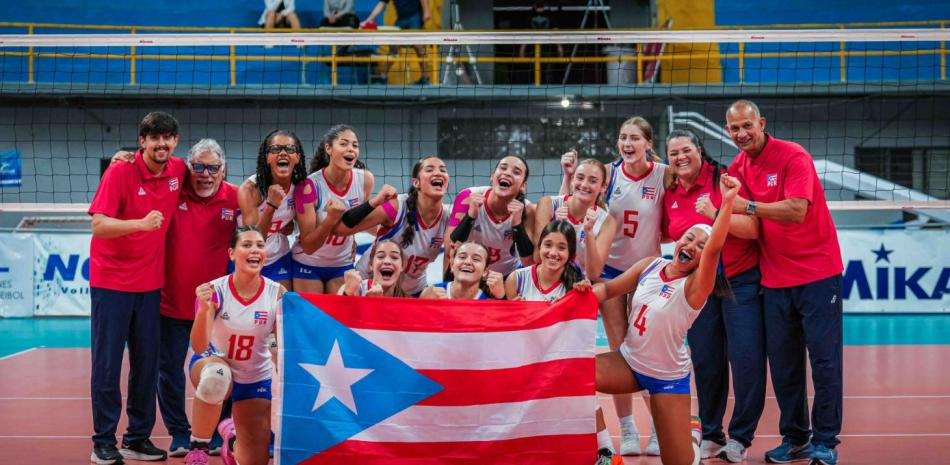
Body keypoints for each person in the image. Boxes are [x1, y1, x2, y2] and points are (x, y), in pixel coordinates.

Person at [579, 173, 742, 465]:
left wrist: (727, 201)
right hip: (629, 363)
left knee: (678, 462)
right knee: (573, 375)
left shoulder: (695, 288)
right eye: (689, 238)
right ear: (679, 240)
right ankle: (604, 450)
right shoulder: (652, 265)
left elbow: (715, 248)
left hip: (667, 378)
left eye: (700, 246)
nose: (692, 245)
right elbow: (608, 289)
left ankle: (692, 437)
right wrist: (576, 296)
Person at [724, 100, 844, 465]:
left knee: (824, 362)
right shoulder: (738, 166)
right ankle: (796, 438)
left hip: (818, 274)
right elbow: (744, 220)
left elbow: (796, 209)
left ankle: (825, 440)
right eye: (734, 129)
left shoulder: (793, 156)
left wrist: (746, 206)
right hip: (774, 279)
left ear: (761, 122)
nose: (742, 134)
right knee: (785, 366)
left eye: (747, 125)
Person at [561, 117, 669, 456]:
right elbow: (570, 205)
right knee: (621, 352)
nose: (627, 142)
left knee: (649, 353)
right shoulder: (608, 173)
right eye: (623, 137)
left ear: (648, 143)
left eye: (635, 137)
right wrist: (568, 176)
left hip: (645, 273)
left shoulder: (664, 174)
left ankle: (658, 430)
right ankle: (627, 430)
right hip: (607, 273)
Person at [88, 111, 186, 464]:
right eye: (153, 138)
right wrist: (141, 225)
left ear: (175, 142)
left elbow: (211, 178)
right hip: (111, 282)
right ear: (141, 141)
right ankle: (103, 441)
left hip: (150, 284)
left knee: (147, 365)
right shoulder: (120, 171)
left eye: (167, 138)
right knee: (108, 364)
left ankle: (137, 437)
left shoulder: (178, 170)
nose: (161, 144)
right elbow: (98, 225)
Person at [661, 129, 764, 462]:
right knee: (705, 360)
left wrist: (715, 215)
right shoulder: (671, 191)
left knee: (745, 358)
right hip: (698, 288)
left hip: (738, 280)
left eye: (686, 150)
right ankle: (711, 432)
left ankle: (740, 437)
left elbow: (752, 229)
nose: (680, 157)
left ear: (700, 150)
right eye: (673, 153)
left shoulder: (724, 178)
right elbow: (669, 233)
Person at [157, 139, 239, 457]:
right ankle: (179, 433)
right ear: (190, 167)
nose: (205, 174)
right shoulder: (174, 191)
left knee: (226, 369)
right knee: (169, 369)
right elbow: (151, 168)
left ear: (223, 169)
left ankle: (218, 431)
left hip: (217, 308)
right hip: (172, 302)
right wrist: (126, 157)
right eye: (199, 167)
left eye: (213, 168)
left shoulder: (235, 197)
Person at [184, 226, 283, 465]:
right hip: (214, 363)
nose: (255, 250)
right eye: (246, 245)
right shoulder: (215, 290)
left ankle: (233, 439)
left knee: (256, 460)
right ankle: (199, 448)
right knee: (217, 377)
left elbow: (283, 345)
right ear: (231, 253)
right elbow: (198, 346)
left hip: (255, 376)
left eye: (260, 245)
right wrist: (205, 309)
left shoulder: (276, 293)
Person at [336, 156, 450, 296]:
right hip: (371, 284)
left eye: (443, 170)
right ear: (416, 182)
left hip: (412, 292)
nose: (438, 173)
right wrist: (375, 201)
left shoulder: (449, 217)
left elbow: (454, 256)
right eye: (430, 169)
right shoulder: (397, 207)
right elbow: (342, 228)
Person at [292, 124, 380, 295]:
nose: (351, 149)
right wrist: (331, 219)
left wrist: (388, 233)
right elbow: (308, 245)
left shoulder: (365, 180)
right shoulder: (309, 187)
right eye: (344, 144)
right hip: (309, 262)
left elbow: (362, 221)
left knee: (340, 318)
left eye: (355, 145)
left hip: (342, 263)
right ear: (329, 148)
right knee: (315, 320)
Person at [237, 129, 316, 291]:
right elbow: (254, 240)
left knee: (280, 309)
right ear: (267, 158)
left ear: (297, 157)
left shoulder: (301, 187)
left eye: (289, 149)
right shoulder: (250, 189)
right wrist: (271, 206)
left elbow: (307, 225)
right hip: (248, 257)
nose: (282, 153)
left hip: (278, 257)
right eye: (275, 149)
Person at [446, 155, 536, 276]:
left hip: (505, 277)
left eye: (516, 172)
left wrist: (517, 224)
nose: (507, 173)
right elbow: (449, 250)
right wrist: (471, 216)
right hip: (469, 273)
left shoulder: (528, 209)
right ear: (492, 176)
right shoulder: (468, 196)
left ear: (523, 186)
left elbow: (528, 262)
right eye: (503, 168)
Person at [535, 158, 615, 280]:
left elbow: (593, 274)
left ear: (603, 187)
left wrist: (588, 232)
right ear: (572, 180)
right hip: (548, 275)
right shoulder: (548, 204)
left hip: (580, 279)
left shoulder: (607, 221)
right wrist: (558, 228)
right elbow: (537, 258)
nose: (584, 185)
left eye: (592, 181)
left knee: (613, 296)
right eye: (580, 178)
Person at [504, 220, 580, 303]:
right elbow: (509, 315)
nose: (553, 253)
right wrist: (517, 310)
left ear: (570, 253)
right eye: (548, 245)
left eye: (561, 248)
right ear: (539, 247)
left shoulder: (576, 285)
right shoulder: (516, 279)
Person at [361, 0, 432, 85]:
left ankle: (425, 78)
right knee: (394, 47)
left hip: (415, 17)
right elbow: (381, 4)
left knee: (419, 47)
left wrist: (427, 11)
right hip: (401, 19)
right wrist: (369, 19)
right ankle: (383, 76)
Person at [420, 241, 505, 300]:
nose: (467, 262)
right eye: (462, 257)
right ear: (452, 265)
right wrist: (424, 304)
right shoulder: (431, 293)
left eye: (476, 259)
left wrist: (501, 297)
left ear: (485, 271)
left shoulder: (489, 305)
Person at [339, 240, 408, 297]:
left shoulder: (408, 302)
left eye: (394, 257)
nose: (387, 261)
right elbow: (335, 313)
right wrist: (347, 293)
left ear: (402, 266)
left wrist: (374, 303)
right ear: (371, 264)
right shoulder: (353, 289)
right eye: (381, 257)